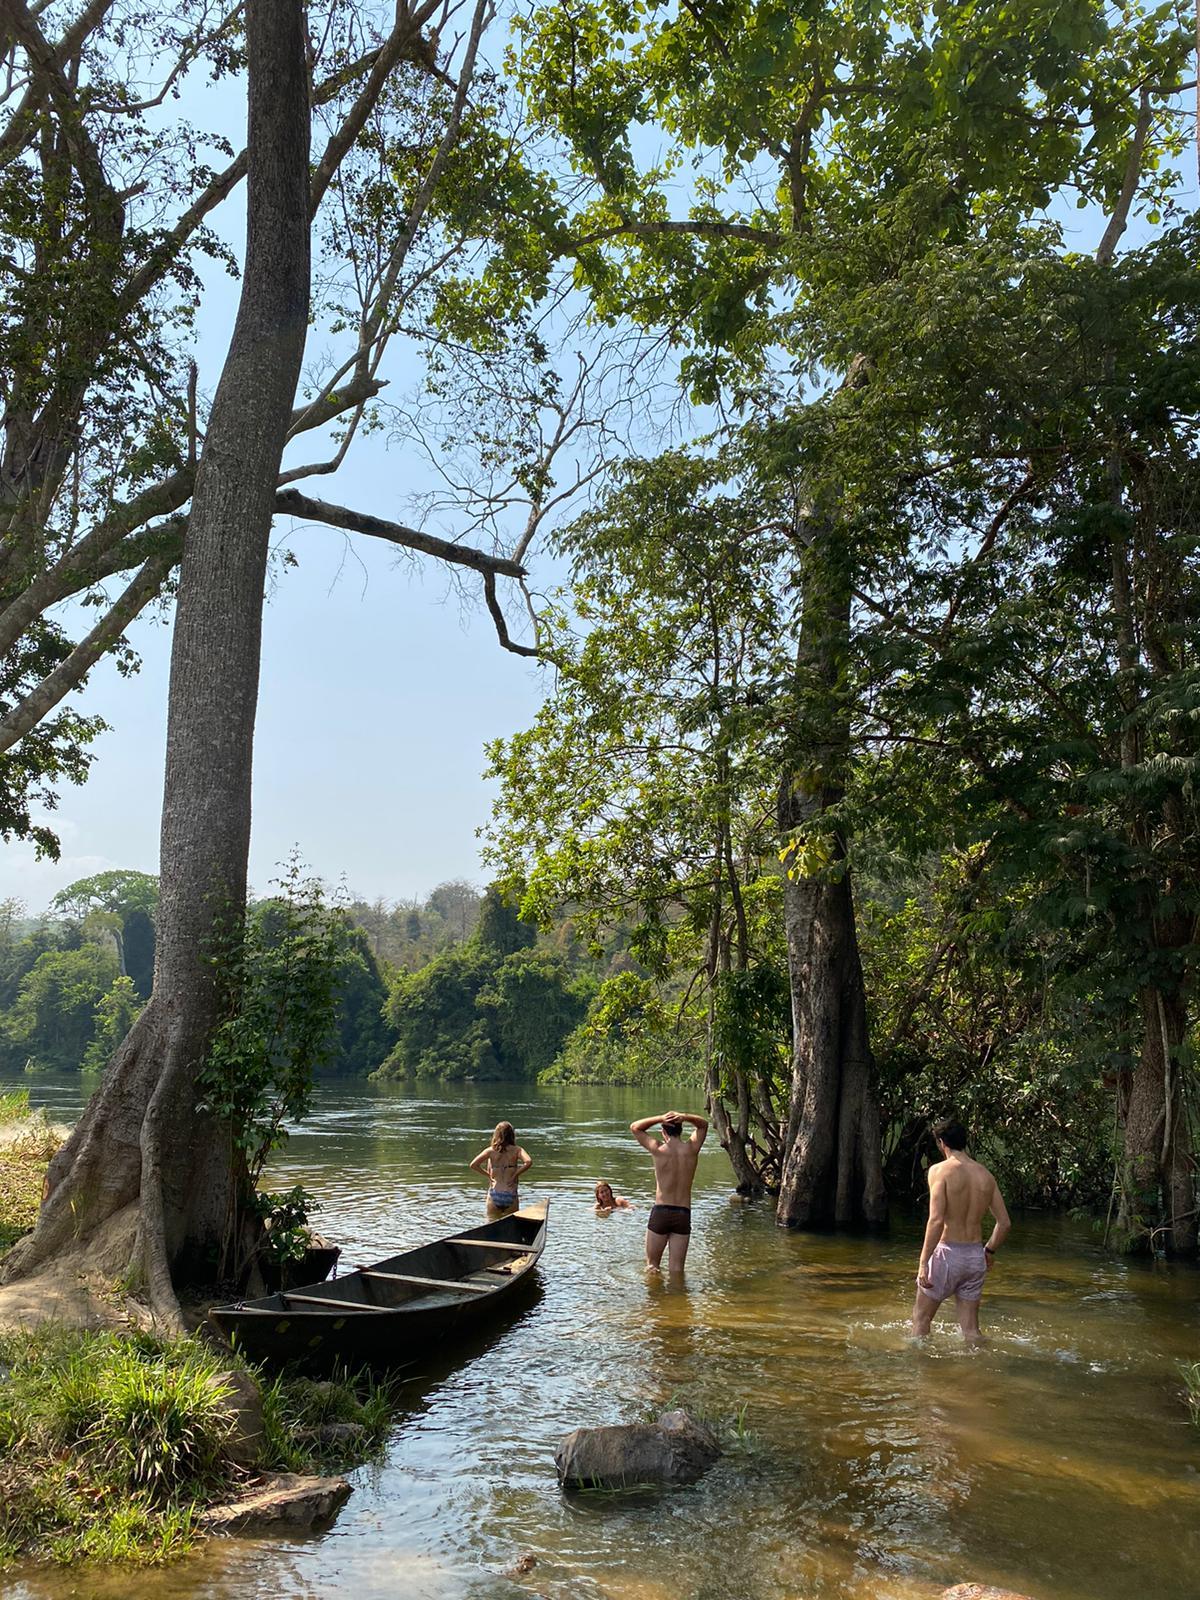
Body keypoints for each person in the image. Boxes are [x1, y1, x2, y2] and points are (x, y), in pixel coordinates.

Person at [912, 1116, 1011, 1343]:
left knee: (921, 1319)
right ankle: (981, 1362)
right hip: (975, 1257)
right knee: (971, 1331)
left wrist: (923, 1263)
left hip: (947, 1255)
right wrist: (989, 1251)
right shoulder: (986, 1175)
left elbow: (936, 1220)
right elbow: (1004, 1223)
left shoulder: (939, 1171)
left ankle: (917, 1363)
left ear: (941, 1143)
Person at [630, 1108, 708, 1272]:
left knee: (652, 1266)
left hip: (661, 1212)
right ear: (681, 1130)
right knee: (677, 1270)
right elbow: (703, 1125)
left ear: (663, 1131)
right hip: (683, 1213)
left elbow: (635, 1127)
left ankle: (652, 1290)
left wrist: (660, 1117)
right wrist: (685, 1116)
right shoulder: (691, 1149)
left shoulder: (658, 1149)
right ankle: (678, 1289)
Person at [469, 1121, 532, 1219]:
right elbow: (528, 1162)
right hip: (511, 1193)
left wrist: (488, 1175)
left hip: (495, 1193)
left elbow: (473, 1165)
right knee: (512, 1223)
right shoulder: (517, 1150)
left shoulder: (490, 1151)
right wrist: (515, 1175)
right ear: (512, 1135)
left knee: (491, 1223)